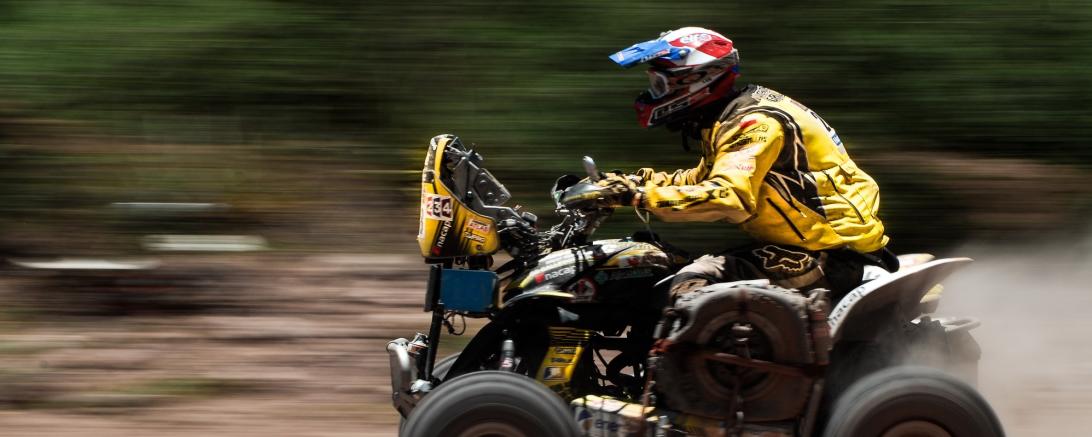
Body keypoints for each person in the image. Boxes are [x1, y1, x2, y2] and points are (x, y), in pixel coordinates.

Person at [598, 27, 898, 302]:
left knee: (692, 285)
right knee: (672, 268)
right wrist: (627, 182)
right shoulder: (731, 116)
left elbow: (729, 199)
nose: (654, 94)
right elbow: (701, 179)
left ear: (699, 78)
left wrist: (635, 197)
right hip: (810, 248)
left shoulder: (754, 122)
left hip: (834, 257)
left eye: (661, 84)